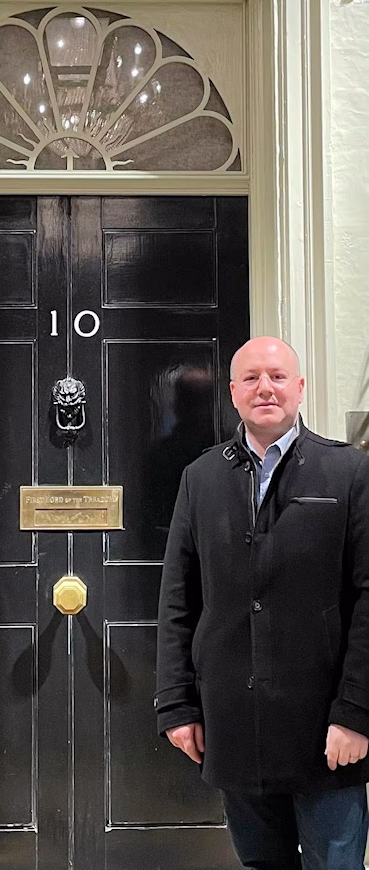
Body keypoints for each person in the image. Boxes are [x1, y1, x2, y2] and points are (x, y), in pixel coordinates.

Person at [155, 336, 369, 870]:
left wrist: (357, 713)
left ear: (300, 387)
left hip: (327, 731)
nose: (264, 388)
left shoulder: (348, 473)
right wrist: (177, 705)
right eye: (250, 378)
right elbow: (179, 598)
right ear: (233, 392)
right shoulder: (200, 478)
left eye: (277, 376)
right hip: (234, 723)